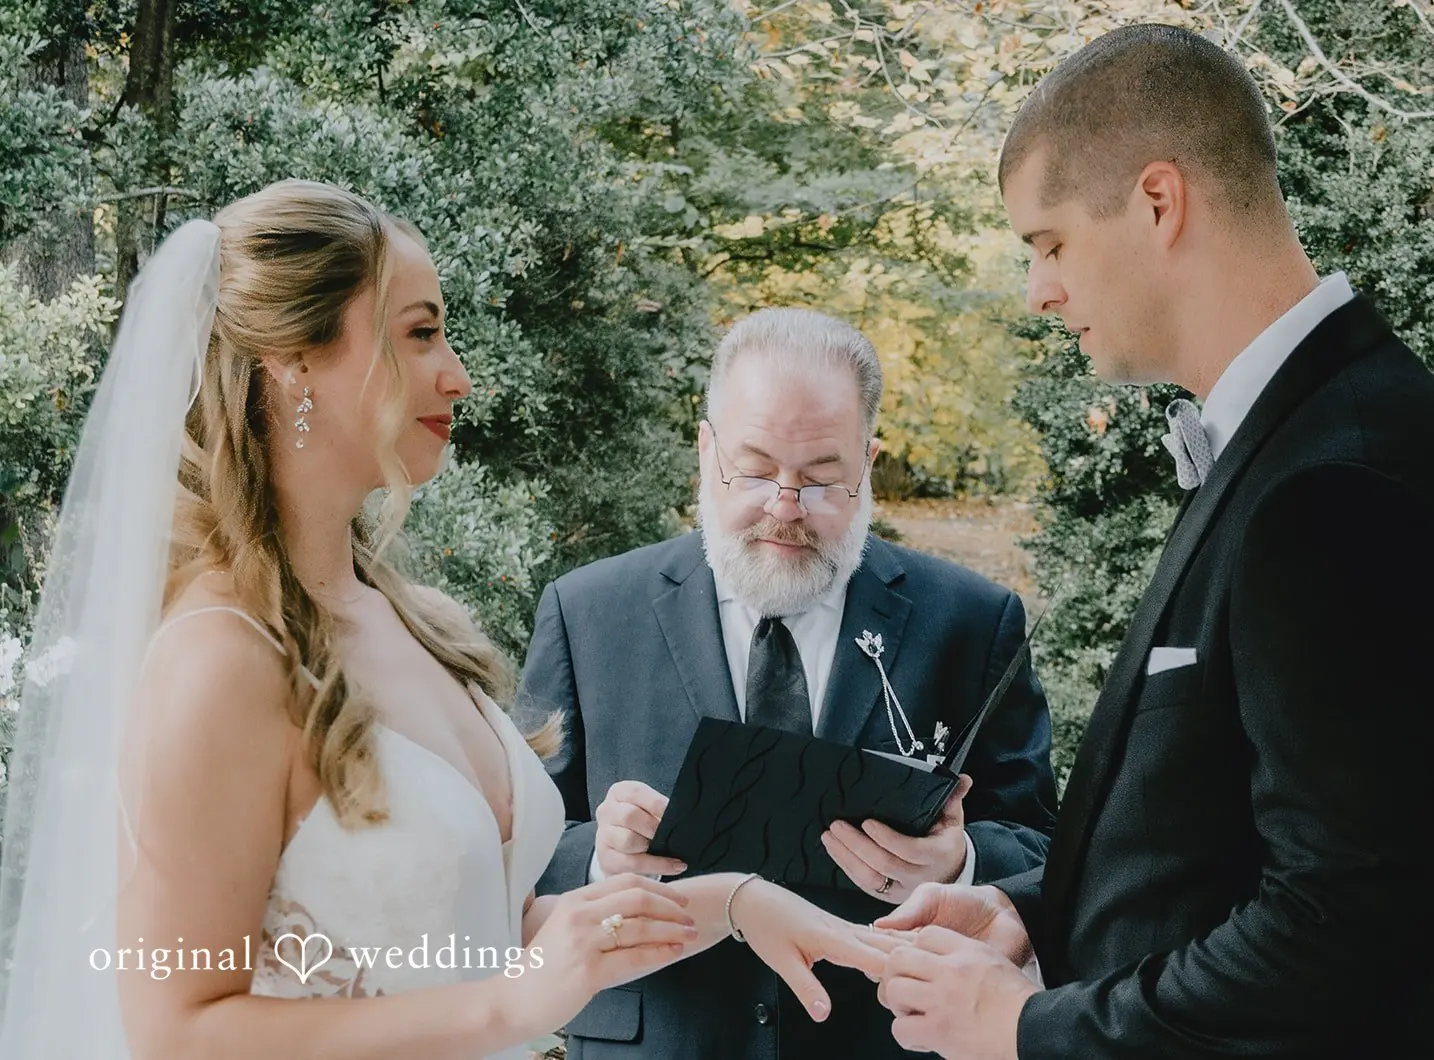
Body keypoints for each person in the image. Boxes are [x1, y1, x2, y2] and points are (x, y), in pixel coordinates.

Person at [0, 181, 882, 1060]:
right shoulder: (221, 656)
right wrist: (506, 1009)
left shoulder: (408, 619)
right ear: (295, 359)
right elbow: (178, 1029)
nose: (456, 373)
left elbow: (487, 933)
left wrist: (729, 902)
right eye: (421, 333)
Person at [870, 24, 1434, 1060]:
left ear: (1158, 201)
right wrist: (1030, 919)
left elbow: (1336, 929)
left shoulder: (1340, 484)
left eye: (1047, 245)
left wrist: (1024, 1026)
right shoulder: (1288, 441)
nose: (1038, 292)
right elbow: (1217, 844)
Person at [520, 306, 1057, 1059]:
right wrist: (606, 858)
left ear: (867, 463)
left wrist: (960, 864)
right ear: (706, 451)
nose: (783, 506)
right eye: (756, 467)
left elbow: (1043, 845)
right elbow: (517, 854)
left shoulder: (972, 619)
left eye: (821, 479)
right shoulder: (586, 611)